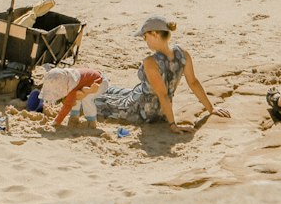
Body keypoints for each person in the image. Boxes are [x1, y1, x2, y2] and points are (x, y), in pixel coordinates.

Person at [94, 15, 230, 132]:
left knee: (92, 100)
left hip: (143, 112)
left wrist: (173, 125)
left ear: (154, 34)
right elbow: (193, 82)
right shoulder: (183, 53)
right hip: (156, 106)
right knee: (111, 89)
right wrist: (211, 108)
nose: (144, 40)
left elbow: (162, 94)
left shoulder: (151, 62)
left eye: (145, 36)